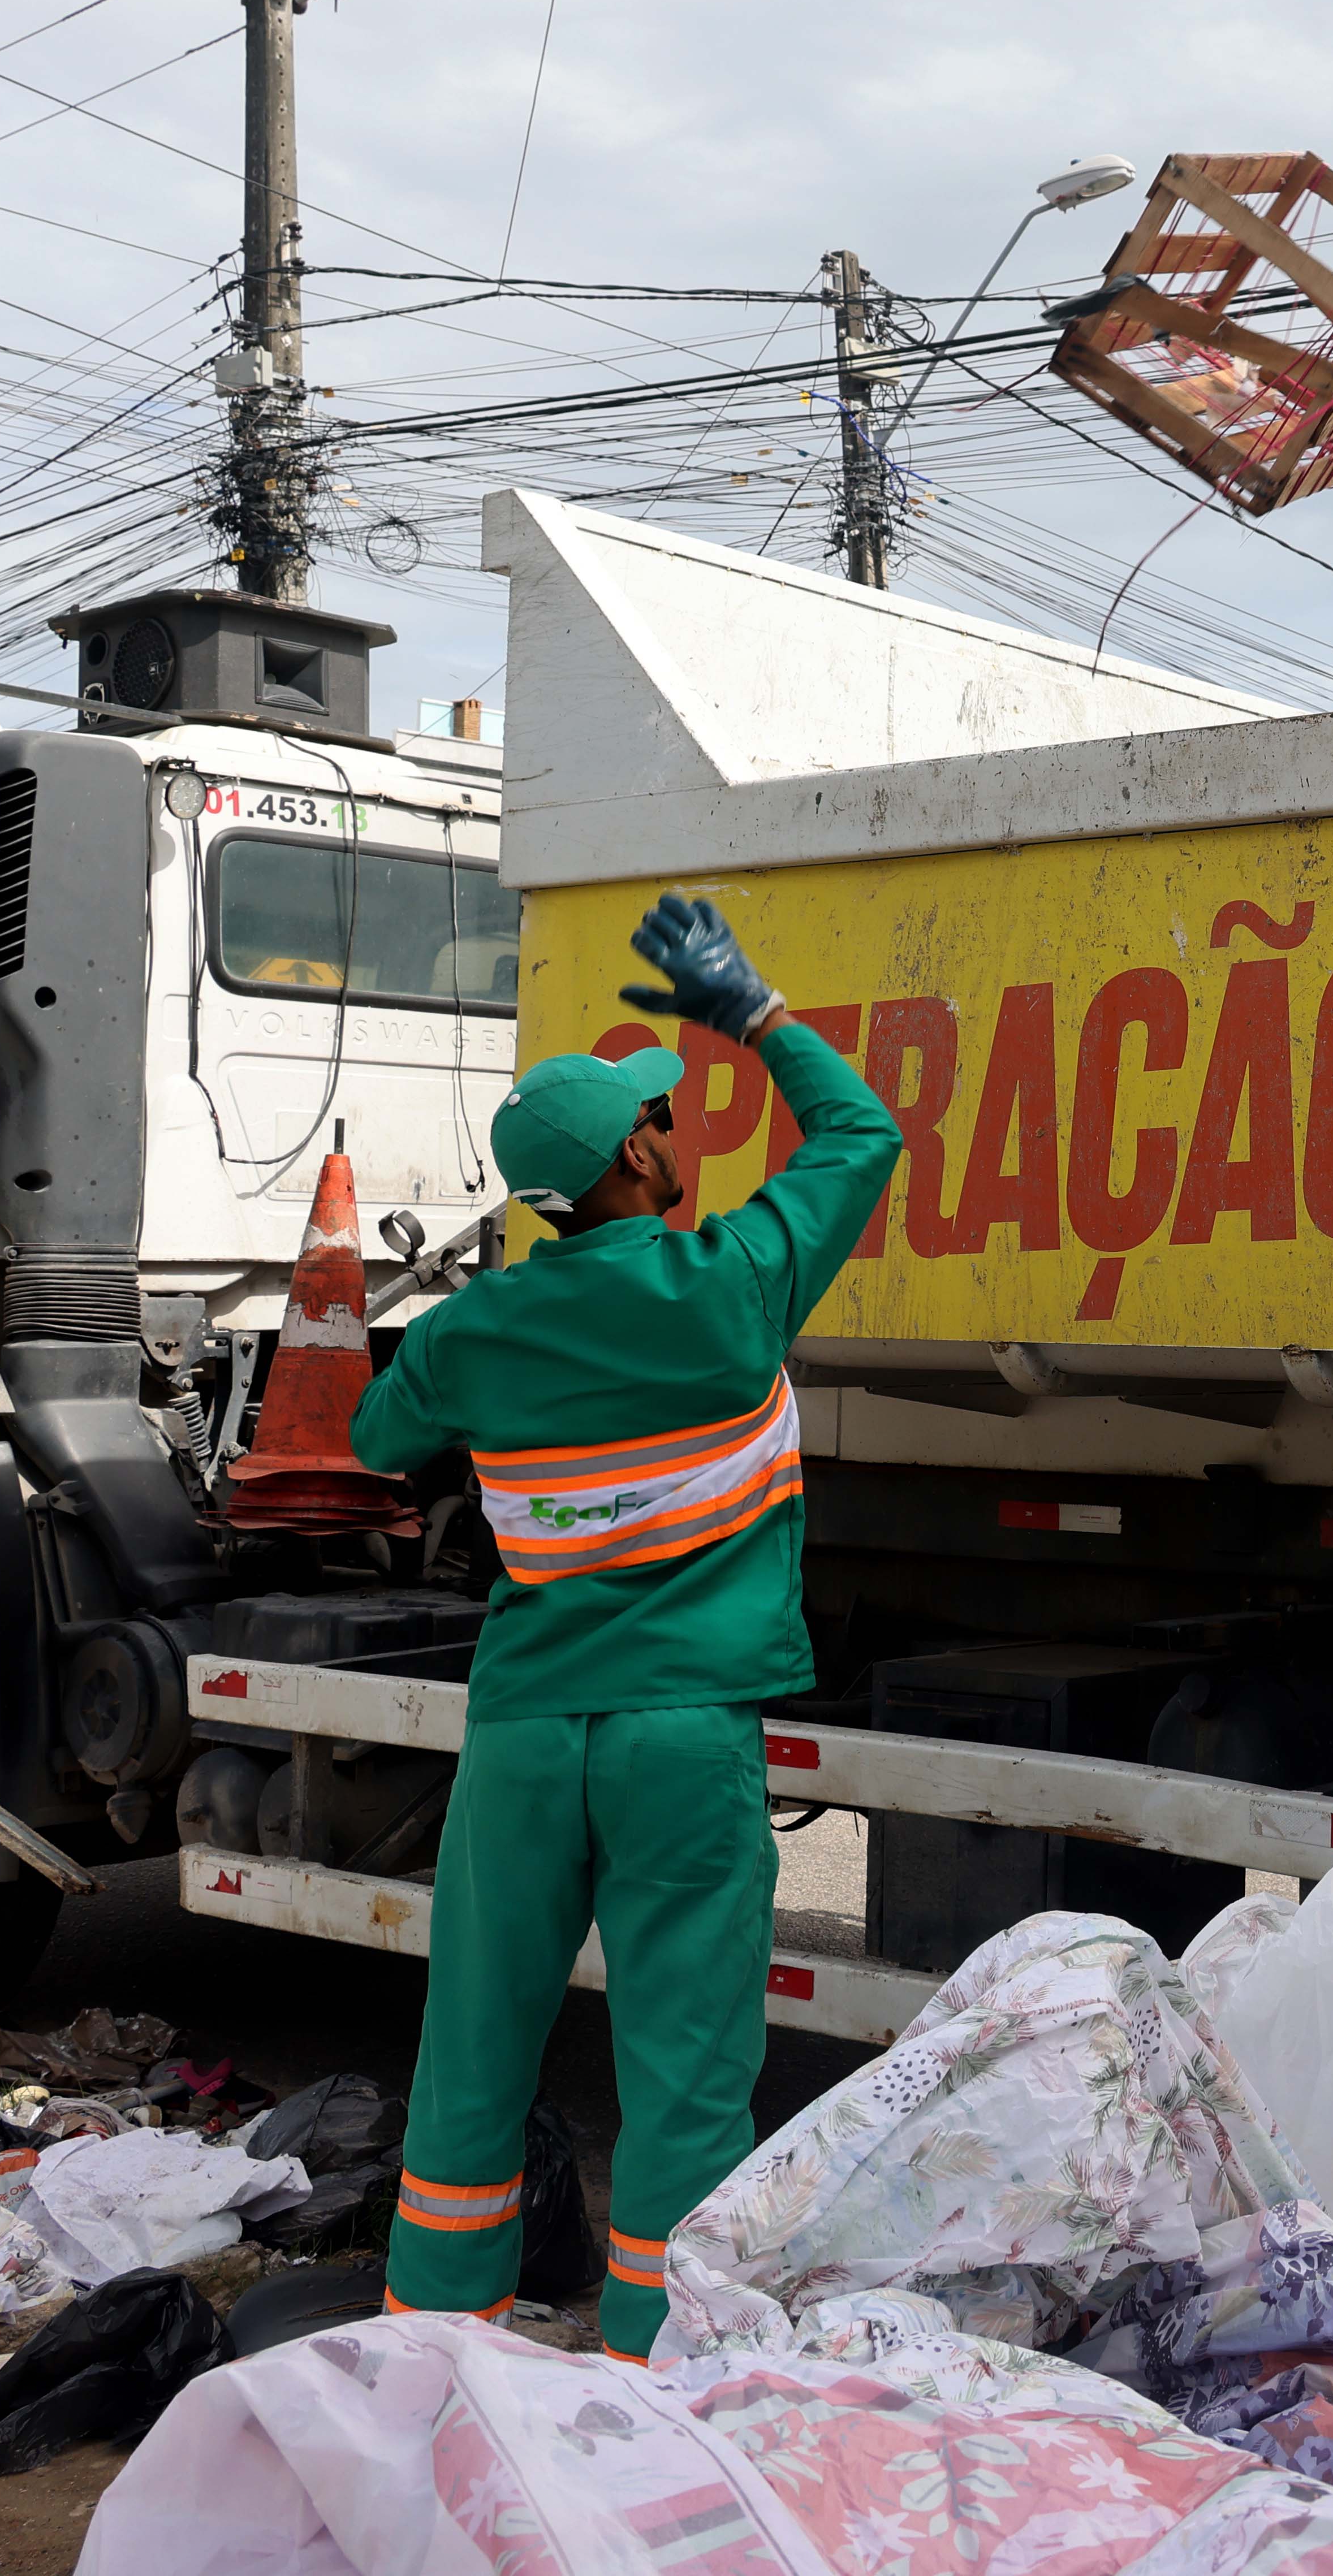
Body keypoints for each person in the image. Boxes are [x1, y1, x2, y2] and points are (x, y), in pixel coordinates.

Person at [350, 893, 899, 2357]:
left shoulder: (477, 1333)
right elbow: (862, 1140)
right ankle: (654, 2387)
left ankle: (429, 2366)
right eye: (664, 1116)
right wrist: (752, 1012)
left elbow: (374, 1429)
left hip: (526, 1737)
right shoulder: (734, 1286)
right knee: (684, 2081)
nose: (684, 1127)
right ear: (640, 1157)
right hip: (681, 1738)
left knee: (468, 2063)